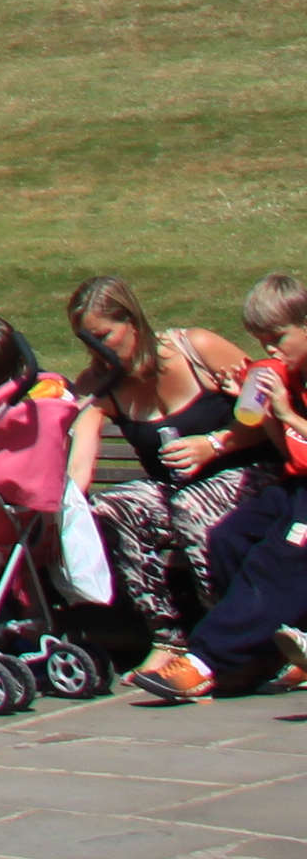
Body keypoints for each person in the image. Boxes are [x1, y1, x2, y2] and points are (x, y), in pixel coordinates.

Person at [131, 273, 307, 703]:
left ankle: (205, 662)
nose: (270, 349)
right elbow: (290, 449)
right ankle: (267, 655)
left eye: (278, 337)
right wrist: (267, 411)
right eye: (261, 340)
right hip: (298, 484)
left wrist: (287, 412)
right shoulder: (294, 371)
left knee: (279, 557)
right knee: (229, 537)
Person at [77, 274, 260, 654]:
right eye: (86, 340)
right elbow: (79, 461)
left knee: (189, 507)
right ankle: (167, 639)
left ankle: (222, 643)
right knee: (112, 507)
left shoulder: (196, 349)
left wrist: (215, 444)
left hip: (248, 476)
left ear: (132, 321)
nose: (97, 349)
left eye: (103, 335)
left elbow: (269, 409)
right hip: (180, 490)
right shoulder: (99, 385)